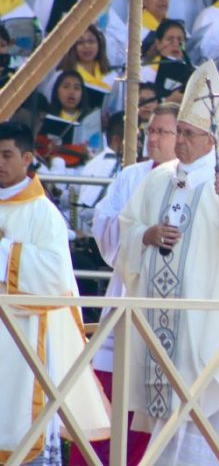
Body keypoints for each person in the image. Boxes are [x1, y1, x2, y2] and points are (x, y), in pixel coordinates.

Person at [116, 61, 219, 465]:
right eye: (179, 132)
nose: (180, 141)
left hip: (205, 328)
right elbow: (127, 229)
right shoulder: (157, 179)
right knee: (167, 426)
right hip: (160, 326)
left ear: (210, 140)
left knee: (199, 424)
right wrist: (145, 235)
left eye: (189, 134)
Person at [69, 103, 180, 466]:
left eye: (163, 132)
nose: (154, 138)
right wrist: (140, 235)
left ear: (182, 137)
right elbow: (104, 226)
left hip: (167, 308)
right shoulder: (131, 176)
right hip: (126, 295)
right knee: (109, 394)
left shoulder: (190, 181)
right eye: (151, 131)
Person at [0, 121, 110, 463]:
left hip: (25, 340)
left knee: (22, 429)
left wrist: (4, 252)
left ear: (28, 158)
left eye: (6, 155)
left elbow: (55, 277)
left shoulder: (44, 213)